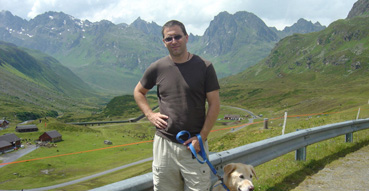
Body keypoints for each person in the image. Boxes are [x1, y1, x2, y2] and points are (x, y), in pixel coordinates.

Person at [133, 20, 220, 191]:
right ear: (163, 42)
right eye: (168, 38)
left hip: (194, 146)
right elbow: (138, 92)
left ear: (187, 38)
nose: (174, 42)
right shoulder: (157, 67)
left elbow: (215, 104)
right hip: (164, 144)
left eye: (178, 37)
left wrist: (201, 137)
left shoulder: (205, 67)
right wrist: (150, 115)